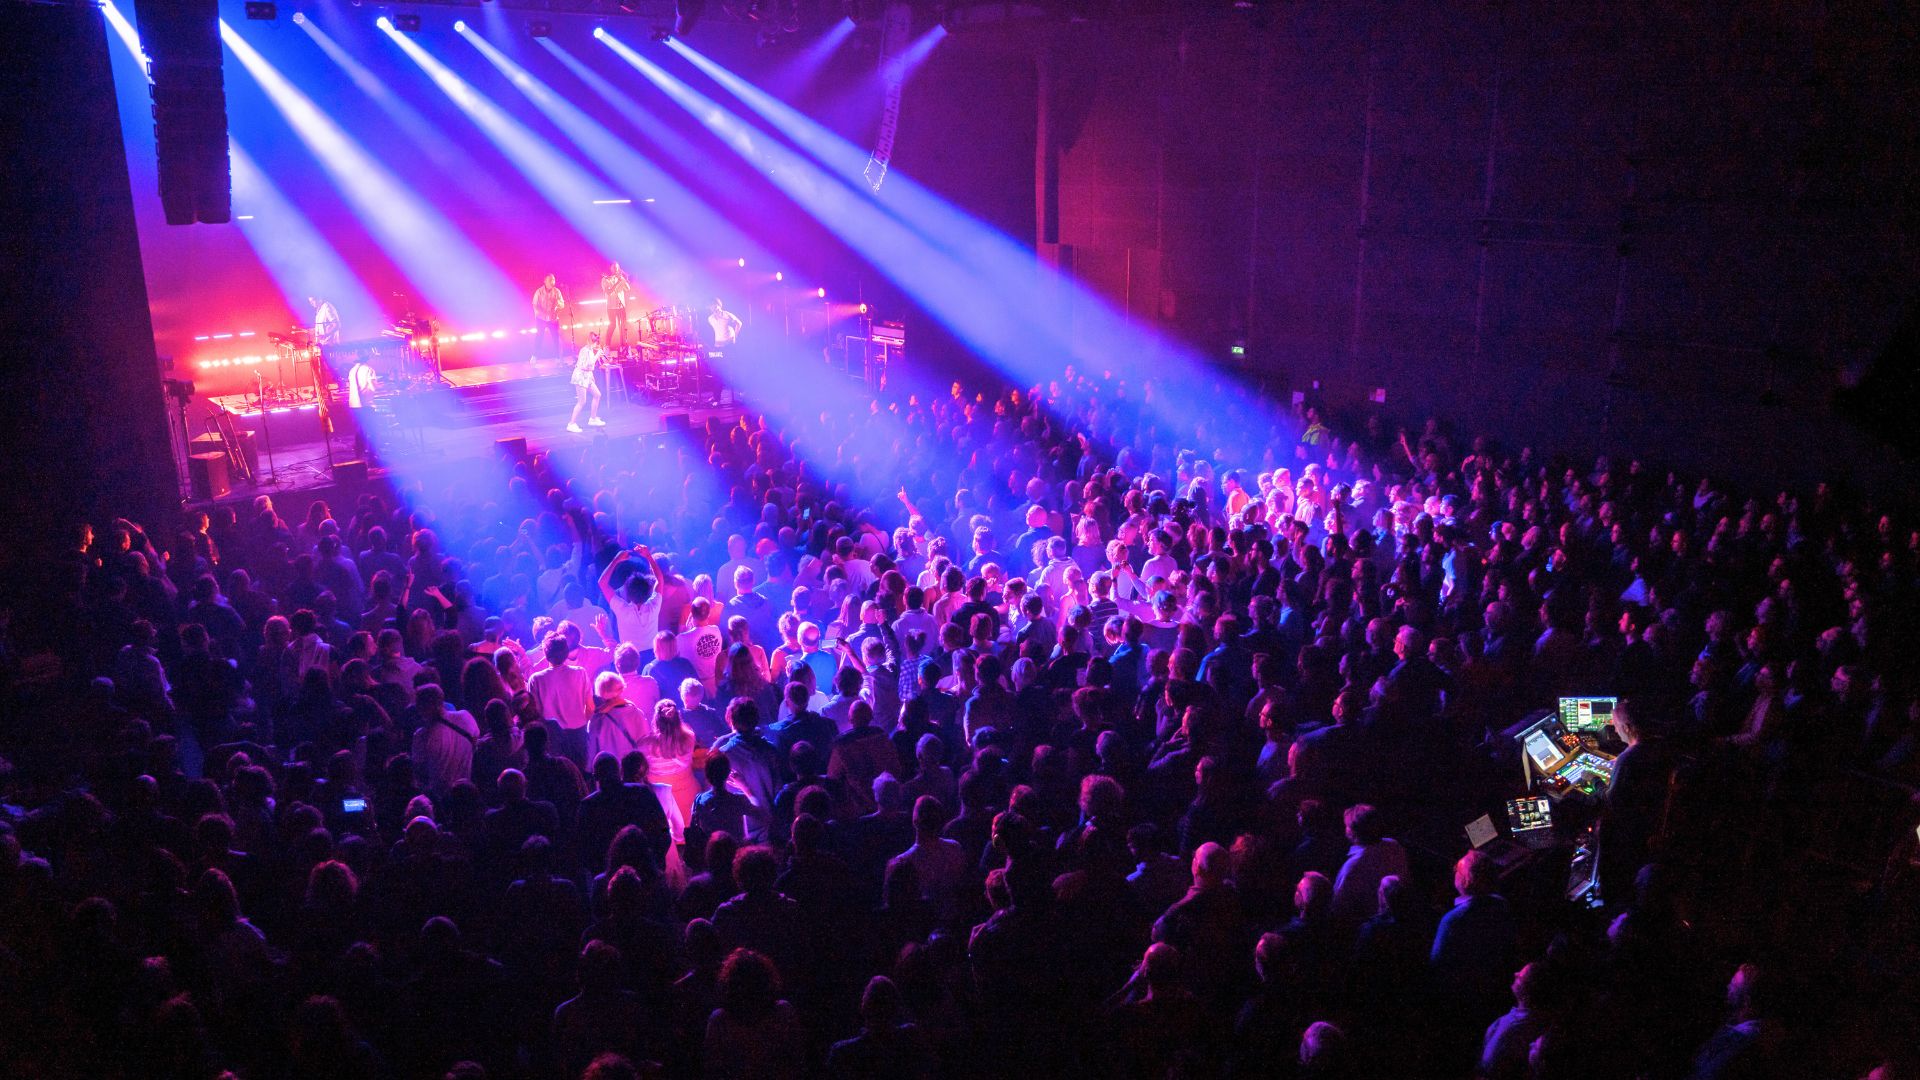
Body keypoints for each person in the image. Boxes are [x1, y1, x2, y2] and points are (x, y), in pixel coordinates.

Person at [568, 332, 607, 434]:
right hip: (580, 377)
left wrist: (591, 376)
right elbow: (586, 365)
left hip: (587, 377)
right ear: (594, 343)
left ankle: (593, 419)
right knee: (582, 402)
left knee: (597, 395)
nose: (598, 347)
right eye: (597, 344)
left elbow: (590, 368)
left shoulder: (590, 350)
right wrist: (597, 355)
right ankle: (571, 424)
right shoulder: (586, 351)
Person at [344, 355, 378, 460]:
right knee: (371, 429)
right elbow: (373, 387)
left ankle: (359, 453)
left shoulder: (352, 371)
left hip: (354, 405)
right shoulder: (369, 369)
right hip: (366, 404)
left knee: (359, 429)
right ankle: (372, 454)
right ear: (367, 359)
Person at [532, 273, 566, 360]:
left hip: (553, 318)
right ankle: (535, 356)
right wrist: (542, 313)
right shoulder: (539, 291)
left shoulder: (557, 292)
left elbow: (562, 304)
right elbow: (535, 304)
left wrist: (558, 307)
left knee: (556, 338)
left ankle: (558, 357)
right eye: (550, 280)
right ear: (545, 281)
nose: (552, 282)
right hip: (541, 318)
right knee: (539, 337)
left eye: (553, 280)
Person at [602, 262, 634, 350]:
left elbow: (627, 289)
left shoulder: (620, 278)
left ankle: (624, 346)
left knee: (623, 326)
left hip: (621, 305)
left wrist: (624, 280)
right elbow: (608, 292)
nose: (616, 269)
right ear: (611, 269)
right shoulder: (606, 279)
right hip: (611, 307)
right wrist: (617, 283)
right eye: (614, 268)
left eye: (617, 268)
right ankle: (607, 346)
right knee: (612, 325)